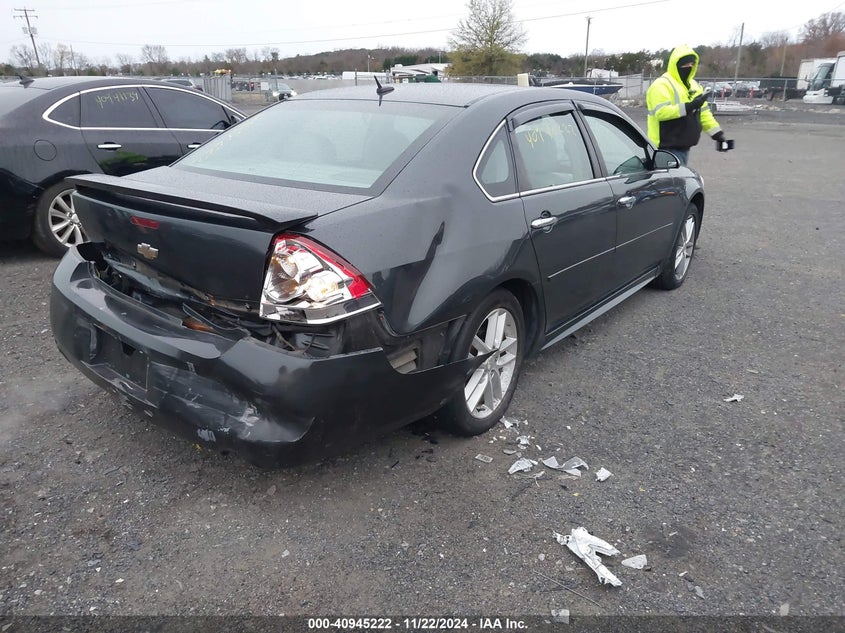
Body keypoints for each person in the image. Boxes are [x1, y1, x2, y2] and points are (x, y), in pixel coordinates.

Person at [646, 45, 731, 165]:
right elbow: (661, 113)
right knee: (672, 182)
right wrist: (690, 106)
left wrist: (718, 134)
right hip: (665, 148)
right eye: (685, 64)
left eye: (692, 64)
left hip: (684, 147)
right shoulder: (661, 85)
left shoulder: (695, 86)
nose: (689, 67)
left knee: (679, 181)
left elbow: (704, 114)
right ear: (675, 64)